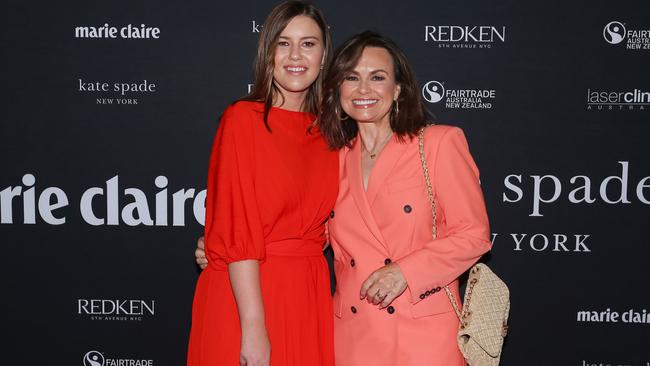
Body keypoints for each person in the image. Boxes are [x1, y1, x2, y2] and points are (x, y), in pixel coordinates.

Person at [196, 31, 491, 366]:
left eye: (377, 77)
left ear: (398, 90)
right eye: (352, 77)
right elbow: (305, 227)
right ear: (338, 89)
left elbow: (473, 234)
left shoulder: (438, 144)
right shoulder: (332, 156)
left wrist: (405, 272)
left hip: (422, 333)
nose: (364, 89)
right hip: (354, 336)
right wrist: (221, 245)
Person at [186, 2, 336, 366]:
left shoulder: (331, 132)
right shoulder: (243, 120)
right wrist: (253, 328)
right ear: (268, 52)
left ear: (323, 55)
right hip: (247, 299)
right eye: (283, 43)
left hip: (307, 294)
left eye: (308, 44)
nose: (295, 56)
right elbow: (238, 232)